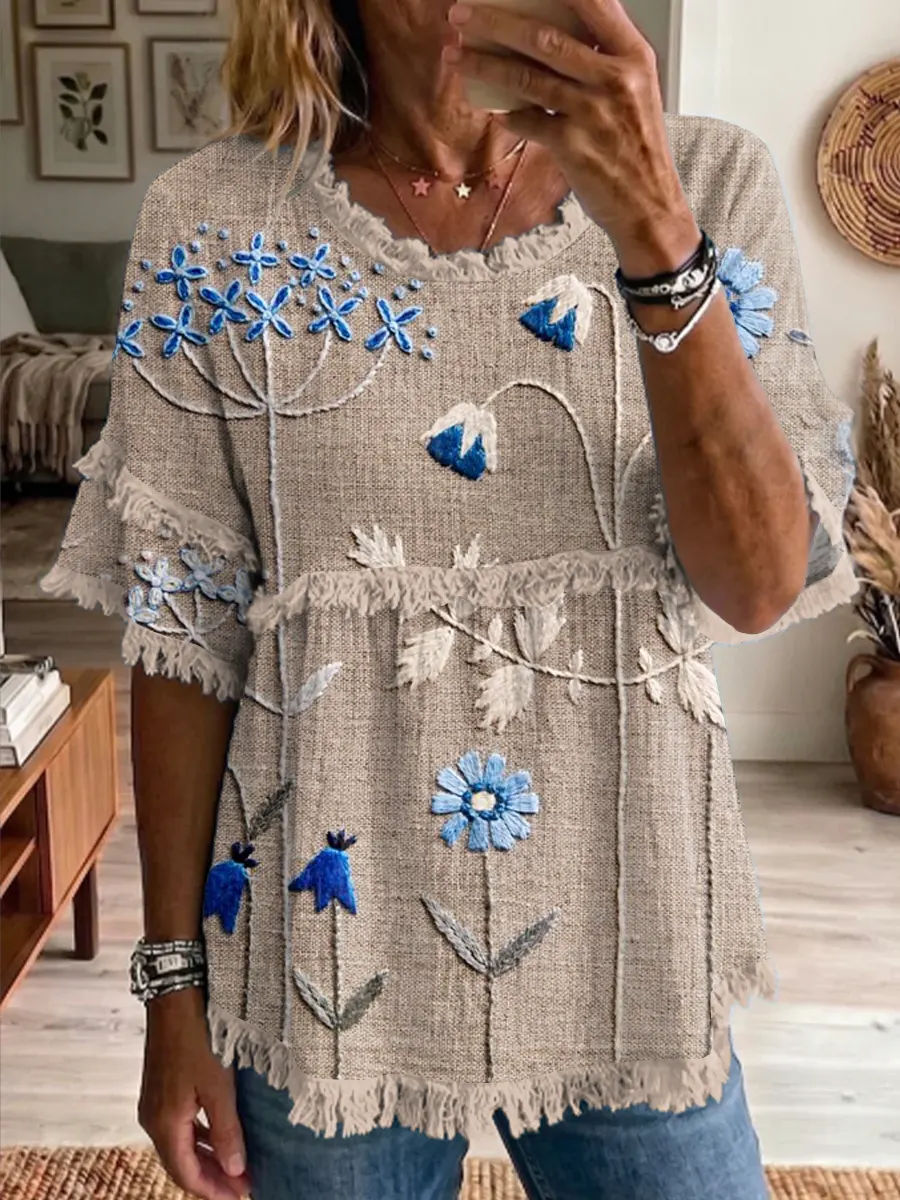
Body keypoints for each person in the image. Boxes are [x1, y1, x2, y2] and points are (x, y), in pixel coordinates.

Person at [43, 0, 858, 1197]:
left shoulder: (709, 183)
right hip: (326, 949)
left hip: (629, 935)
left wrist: (654, 231)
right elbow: (184, 634)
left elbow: (759, 584)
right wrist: (173, 989)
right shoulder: (213, 225)